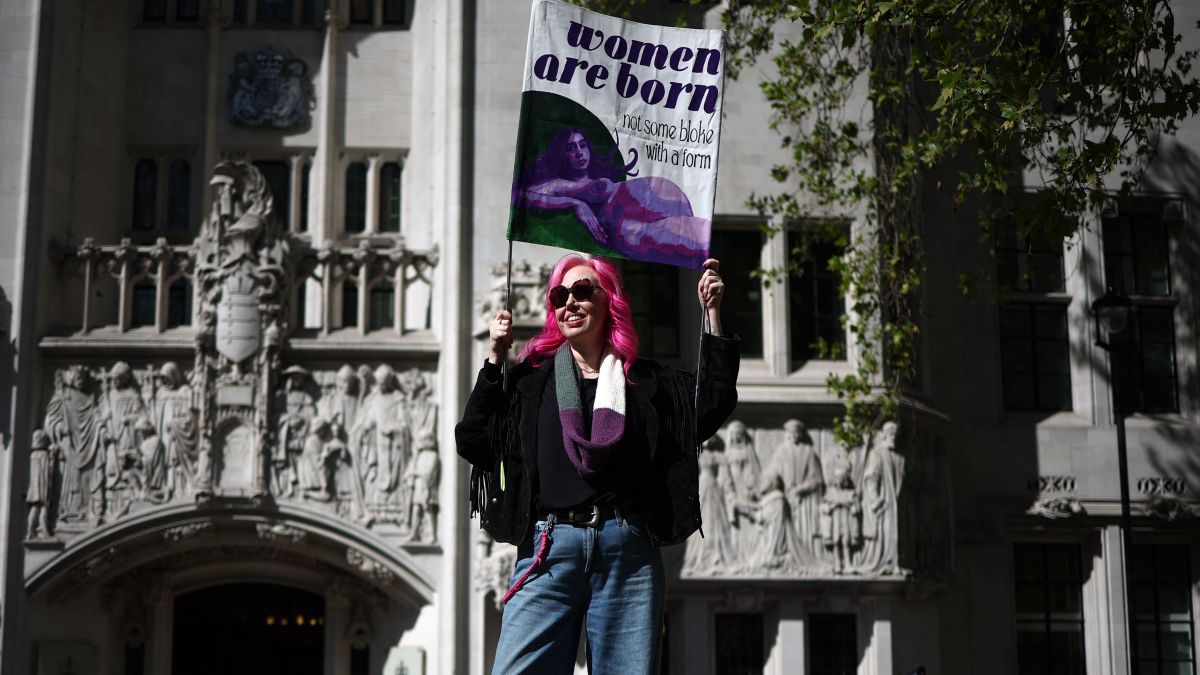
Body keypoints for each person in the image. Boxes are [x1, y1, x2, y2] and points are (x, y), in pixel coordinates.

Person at [457, 253, 739, 674]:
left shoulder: (644, 382)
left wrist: (712, 314)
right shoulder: (532, 382)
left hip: (626, 550)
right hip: (547, 549)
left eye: (582, 291)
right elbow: (474, 440)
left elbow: (710, 406)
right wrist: (496, 360)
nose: (569, 302)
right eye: (559, 295)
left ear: (610, 301)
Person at [516, 128, 712, 267]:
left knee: (697, 230)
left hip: (649, 207)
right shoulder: (559, 184)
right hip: (627, 226)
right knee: (696, 241)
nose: (579, 152)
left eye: (582, 145)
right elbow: (521, 195)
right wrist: (574, 203)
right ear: (561, 154)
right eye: (571, 148)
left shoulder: (595, 175)